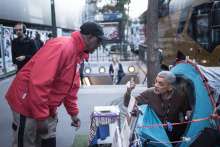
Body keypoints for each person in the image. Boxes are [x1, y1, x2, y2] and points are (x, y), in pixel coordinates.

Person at [5, 21, 107, 147]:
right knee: (28, 142)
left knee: (45, 140)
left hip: (44, 105)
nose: (99, 45)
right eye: (98, 41)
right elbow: (39, 82)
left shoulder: (77, 54)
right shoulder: (63, 46)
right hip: (26, 102)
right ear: (89, 37)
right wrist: (42, 117)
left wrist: (74, 114)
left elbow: (70, 88)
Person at [124, 71, 191, 143]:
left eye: (160, 84)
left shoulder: (180, 96)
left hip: (173, 134)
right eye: (156, 81)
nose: (156, 85)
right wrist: (128, 91)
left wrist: (188, 113)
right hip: (154, 134)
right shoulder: (150, 93)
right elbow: (128, 104)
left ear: (170, 87)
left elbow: (186, 112)